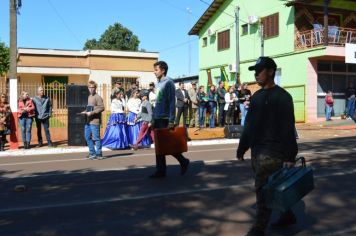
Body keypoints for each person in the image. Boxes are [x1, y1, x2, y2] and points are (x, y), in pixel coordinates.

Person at [236, 57, 298, 236]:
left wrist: (289, 156)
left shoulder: (283, 97)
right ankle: (287, 215)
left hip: (274, 152)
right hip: (257, 151)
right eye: (255, 71)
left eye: (260, 70)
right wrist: (242, 148)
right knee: (275, 186)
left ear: (271, 71)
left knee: (262, 189)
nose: (256, 74)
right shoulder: (257, 96)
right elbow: (249, 125)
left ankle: (258, 228)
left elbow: (288, 127)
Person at [149, 61, 190, 178]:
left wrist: (172, 120)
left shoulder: (169, 83)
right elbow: (157, 103)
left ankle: (183, 161)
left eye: (156, 70)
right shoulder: (158, 83)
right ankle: (160, 171)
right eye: (154, 70)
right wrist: (153, 118)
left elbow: (172, 102)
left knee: (166, 145)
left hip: (165, 118)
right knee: (159, 145)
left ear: (163, 70)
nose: (154, 72)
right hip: (157, 117)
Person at [81, 80, 105, 160]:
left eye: (93, 87)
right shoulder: (89, 97)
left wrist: (92, 113)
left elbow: (102, 107)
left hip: (95, 121)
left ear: (95, 88)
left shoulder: (97, 97)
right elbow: (89, 108)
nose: (91, 89)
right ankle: (92, 153)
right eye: (90, 87)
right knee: (87, 137)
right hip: (88, 121)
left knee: (96, 138)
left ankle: (99, 154)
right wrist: (85, 111)